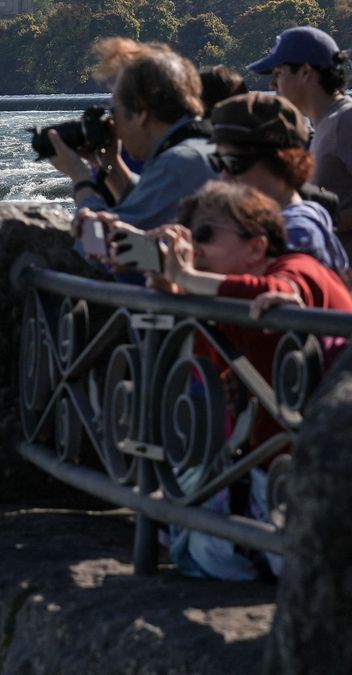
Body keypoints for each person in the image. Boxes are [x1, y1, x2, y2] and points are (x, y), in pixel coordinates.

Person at [150, 182, 352, 580]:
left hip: (325, 469)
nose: (194, 247)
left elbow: (283, 291)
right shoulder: (227, 300)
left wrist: (189, 277)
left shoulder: (299, 267)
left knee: (204, 545)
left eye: (204, 234)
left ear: (256, 247)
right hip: (279, 466)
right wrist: (174, 286)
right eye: (189, 235)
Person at [48, 38, 215, 231]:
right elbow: (151, 208)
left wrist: (79, 177)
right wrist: (111, 164)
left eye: (115, 110)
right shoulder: (203, 145)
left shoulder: (177, 164)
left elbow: (110, 248)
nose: (113, 122)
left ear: (140, 114)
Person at [208, 92, 349, 273]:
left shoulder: (299, 232)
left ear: (282, 163)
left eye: (233, 164)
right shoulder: (265, 223)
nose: (224, 178)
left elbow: (277, 289)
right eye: (217, 162)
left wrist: (187, 276)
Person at [248, 26, 352, 235]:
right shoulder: (325, 123)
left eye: (279, 73)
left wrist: (305, 226)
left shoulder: (345, 120)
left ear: (305, 72)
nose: (273, 84)